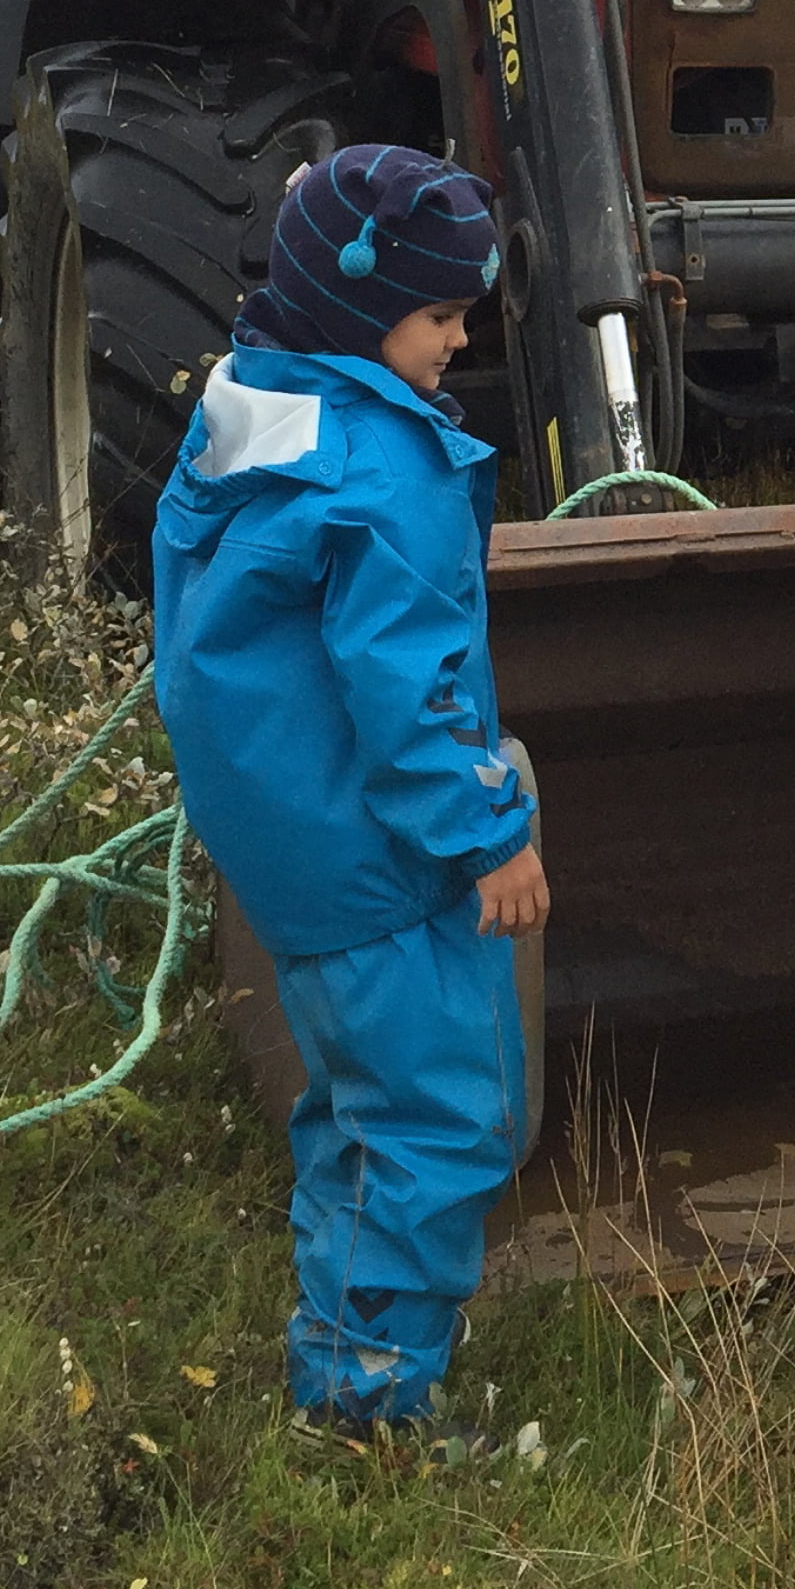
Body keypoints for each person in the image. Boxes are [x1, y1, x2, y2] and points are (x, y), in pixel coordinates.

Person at [152, 143, 550, 1427]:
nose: (456, 341)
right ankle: (375, 1413)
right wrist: (492, 833)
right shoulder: (385, 476)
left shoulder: (248, 413)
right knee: (441, 1124)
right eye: (438, 316)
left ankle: (339, 1365)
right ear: (357, 305)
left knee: (353, 1117)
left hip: (291, 852)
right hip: (383, 868)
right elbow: (408, 694)